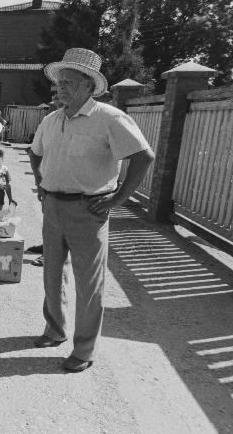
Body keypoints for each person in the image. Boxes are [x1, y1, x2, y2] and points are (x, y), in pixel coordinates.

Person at [28, 48, 155, 372]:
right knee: (52, 274)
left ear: (88, 85)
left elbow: (143, 157)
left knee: (89, 285)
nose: (61, 88)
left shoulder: (109, 118)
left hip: (90, 211)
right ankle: (55, 330)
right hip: (54, 208)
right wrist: (42, 185)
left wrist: (117, 201)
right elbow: (35, 153)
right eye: (60, 82)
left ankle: (84, 351)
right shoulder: (51, 119)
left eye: (69, 82)